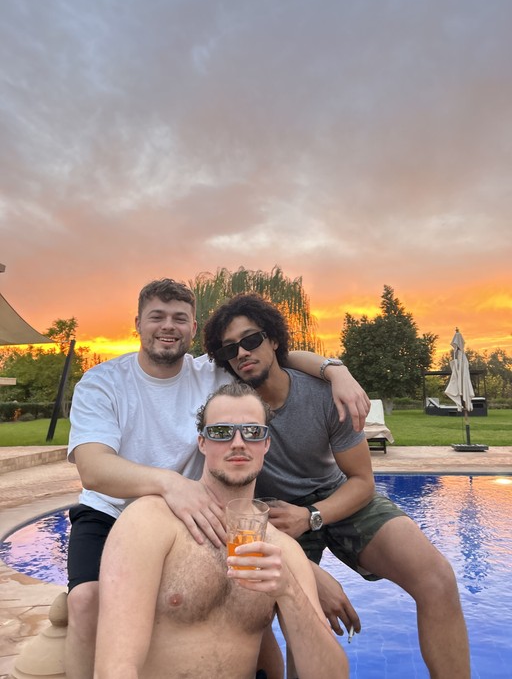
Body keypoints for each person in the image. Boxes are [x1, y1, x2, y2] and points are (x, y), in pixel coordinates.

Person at [66, 278, 369, 679]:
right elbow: (92, 467)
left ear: (194, 329)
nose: (168, 326)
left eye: (180, 318)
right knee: (88, 601)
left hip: (204, 511)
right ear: (137, 323)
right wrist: (170, 484)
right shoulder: (104, 382)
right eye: (157, 317)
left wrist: (336, 370)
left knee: (245, 611)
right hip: (115, 509)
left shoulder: (210, 373)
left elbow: (270, 355)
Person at [203, 293, 471, 679]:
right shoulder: (230, 406)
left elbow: (363, 481)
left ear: (274, 339)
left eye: (252, 339)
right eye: (230, 347)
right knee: (302, 616)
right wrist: (310, 575)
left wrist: (312, 515)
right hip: (273, 512)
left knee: (438, 578)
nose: (242, 352)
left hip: (336, 495)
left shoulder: (322, 393)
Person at [94, 382, 349, 679]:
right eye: (221, 432)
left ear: (266, 443)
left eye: (253, 432)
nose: (238, 442)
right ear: (202, 443)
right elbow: (116, 667)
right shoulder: (150, 521)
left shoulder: (282, 550)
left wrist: (290, 592)